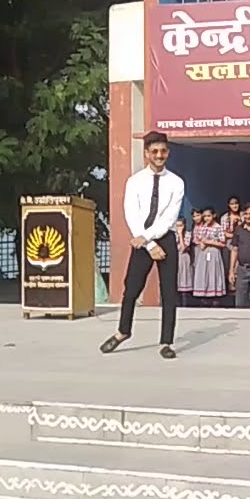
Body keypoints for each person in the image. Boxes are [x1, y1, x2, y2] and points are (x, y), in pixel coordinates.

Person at [100, 131, 185, 359]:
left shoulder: (176, 182)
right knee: (131, 289)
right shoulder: (135, 181)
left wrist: (150, 239)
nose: (159, 155)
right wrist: (147, 244)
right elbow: (131, 214)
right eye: (155, 151)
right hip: (141, 240)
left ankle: (166, 342)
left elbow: (169, 217)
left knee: (168, 292)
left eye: (163, 151)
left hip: (164, 238)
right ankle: (122, 331)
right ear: (146, 153)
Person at [192, 208, 227, 304]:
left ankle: (214, 295)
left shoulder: (218, 227)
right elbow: (199, 239)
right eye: (205, 216)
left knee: (213, 272)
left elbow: (223, 243)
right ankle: (204, 294)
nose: (206, 218)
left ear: (214, 216)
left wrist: (210, 242)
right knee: (204, 272)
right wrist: (202, 242)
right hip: (203, 252)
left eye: (208, 216)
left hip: (213, 252)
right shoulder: (204, 227)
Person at [175, 216, 194, 307]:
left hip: (184, 258)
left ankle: (185, 302)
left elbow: (183, 248)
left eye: (180, 225)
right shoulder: (172, 235)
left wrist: (180, 234)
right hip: (175, 257)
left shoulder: (188, 234)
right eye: (177, 226)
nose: (178, 227)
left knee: (184, 278)